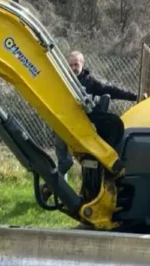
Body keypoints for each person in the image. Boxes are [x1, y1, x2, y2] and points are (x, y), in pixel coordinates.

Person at [55, 51, 142, 180]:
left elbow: (110, 90)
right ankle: (60, 188)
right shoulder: (62, 79)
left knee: (84, 160)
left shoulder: (89, 82)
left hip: (80, 125)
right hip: (62, 121)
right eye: (71, 65)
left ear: (82, 64)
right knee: (63, 160)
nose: (74, 68)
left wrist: (134, 97)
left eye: (76, 65)